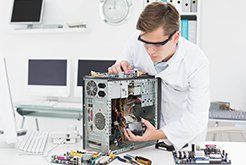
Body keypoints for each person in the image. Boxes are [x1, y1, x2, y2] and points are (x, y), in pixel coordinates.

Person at [108, 2, 210, 150]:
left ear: (175, 37)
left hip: (183, 139)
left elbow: (196, 119)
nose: (150, 51)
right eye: (146, 44)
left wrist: (157, 134)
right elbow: (123, 62)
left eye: (157, 45)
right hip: (142, 137)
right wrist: (119, 66)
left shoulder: (196, 61)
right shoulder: (135, 41)